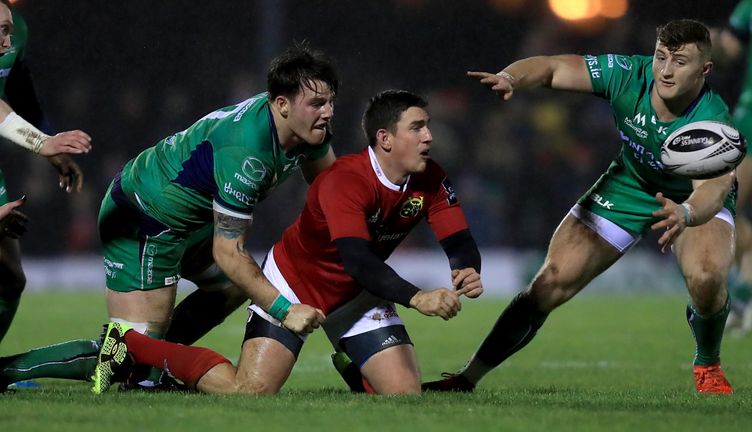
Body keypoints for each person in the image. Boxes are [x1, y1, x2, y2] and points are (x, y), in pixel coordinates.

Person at [91, 89, 483, 395]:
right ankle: (135, 348)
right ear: (385, 138)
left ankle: (353, 361)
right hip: (296, 284)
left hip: (359, 291)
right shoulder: (345, 181)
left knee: (405, 395)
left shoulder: (431, 178)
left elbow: (458, 236)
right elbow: (357, 260)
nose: (429, 136)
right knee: (250, 392)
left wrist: (466, 266)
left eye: (427, 125)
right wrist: (418, 298)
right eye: (417, 127)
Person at [423, 19, 738, 395]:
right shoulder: (627, 74)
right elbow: (554, 67)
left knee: (706, 280)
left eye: (680, 61)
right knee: (549, 283)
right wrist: (511, 77)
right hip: (629, 185)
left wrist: (685, 213)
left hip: (689, 199)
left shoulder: (712, 121)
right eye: (661, 57)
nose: (666, 71)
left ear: (705, 69)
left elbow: (713, 190)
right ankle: (467, 379)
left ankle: (707, 362)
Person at [0, 43, 336, 391]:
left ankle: (150, 363)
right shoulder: (246, 152)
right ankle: (6, 370)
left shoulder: (305, 127)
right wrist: (285, 310)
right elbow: (228, 252)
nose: (327, 112)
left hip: (190, 223)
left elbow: (333, 191)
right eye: (316, 103)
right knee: (124, 353)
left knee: (233, 288)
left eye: (330, 102)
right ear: (281, 104)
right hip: (143, 219)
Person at [0, 0, 91, 346]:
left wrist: (48, 142)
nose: (7, 42)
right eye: (2, 33)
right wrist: (41, 143)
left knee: (10, 278)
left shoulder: (16, 29)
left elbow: (17, 93)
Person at [710, 0, 752, 335]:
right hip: (751, 111)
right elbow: (730, 50)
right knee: (727, 200)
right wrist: (713, 42)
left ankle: (744, 294)